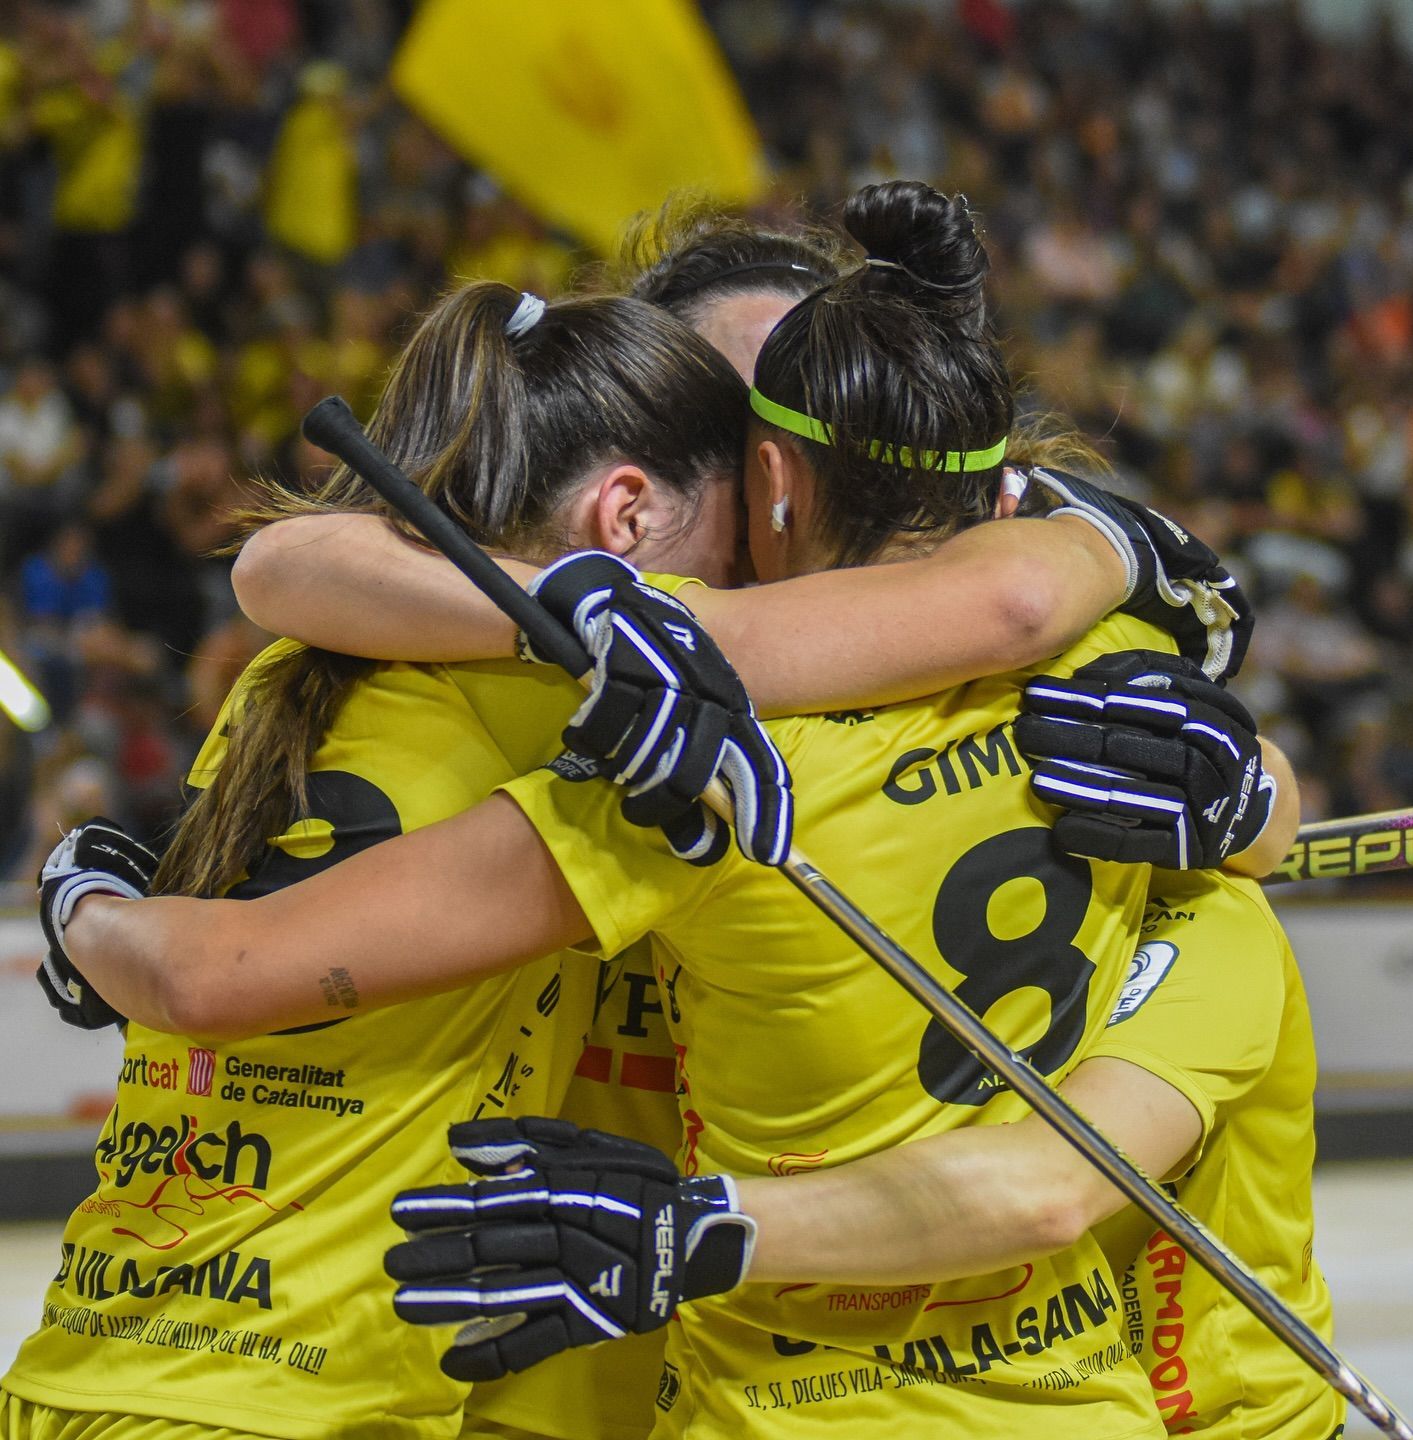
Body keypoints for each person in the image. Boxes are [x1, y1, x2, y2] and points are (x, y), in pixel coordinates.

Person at [46, 183, 1272, 1439]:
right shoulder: (642, 699)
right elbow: (292, 567)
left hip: (617, 1349)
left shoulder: (666, 685)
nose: (772, 474)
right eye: (739, 428)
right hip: (537, 1370)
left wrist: (1238, 771)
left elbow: (285, 568)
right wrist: (1119, 556)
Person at [0, 279, 764, 1440]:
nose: (747, 586)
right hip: (285, 1399)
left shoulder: (294, 665)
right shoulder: (580, 726)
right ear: (628, 517)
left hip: (100, 1354)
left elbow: (278, 565)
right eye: (736, 545)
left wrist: (79, 901)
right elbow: (216, 974)